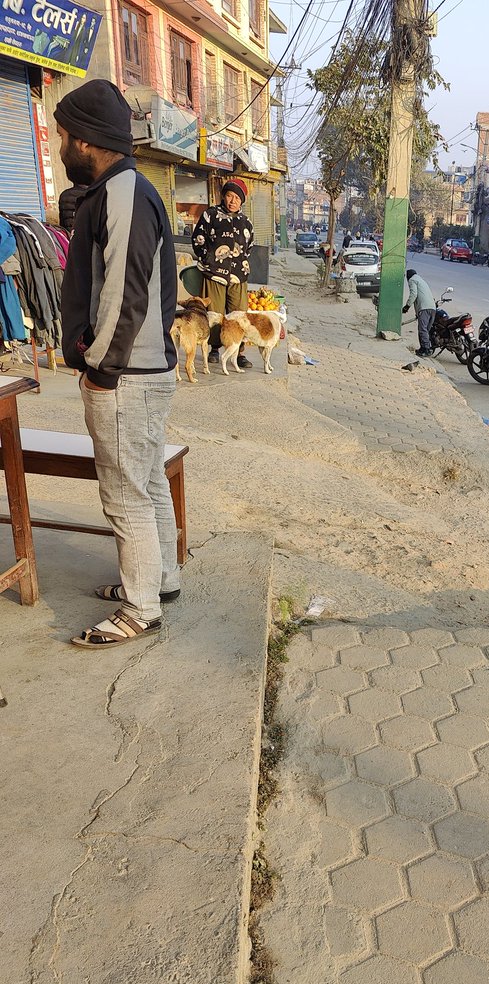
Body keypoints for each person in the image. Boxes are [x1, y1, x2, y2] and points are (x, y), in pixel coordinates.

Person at [55, 79, 178, 648]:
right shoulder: (121, 191)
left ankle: (140, 607)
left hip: (126, 374)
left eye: (63, 136)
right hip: (141, 370)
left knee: (124, 492)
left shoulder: (125, 192)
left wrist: (99, 367)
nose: (60, 147)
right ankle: (161, 581)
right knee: (148, 481)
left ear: (85, 141)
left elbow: (125, 295)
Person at [191, 178, 255, 368]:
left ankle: (239, 352)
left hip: (238, 276)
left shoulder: (246, 222)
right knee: (215, 314)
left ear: (241, 201)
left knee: (238, 315)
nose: (232, 201)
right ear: (223, 196)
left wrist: (240, 264)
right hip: (214, 274)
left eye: (236, 197)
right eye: (229, 196)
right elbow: (198, 240)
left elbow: (249, 247)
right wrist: (208, 259)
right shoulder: (210, 215)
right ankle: (214, 349)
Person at [402, 268, 436, 356]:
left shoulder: (412, 280)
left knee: (422, 330)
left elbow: (414, 294)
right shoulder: (421, 280)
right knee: (426, 330)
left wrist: (407, 306)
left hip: (424, 309)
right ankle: (423, 348)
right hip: (432, 308)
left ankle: (426, 349)